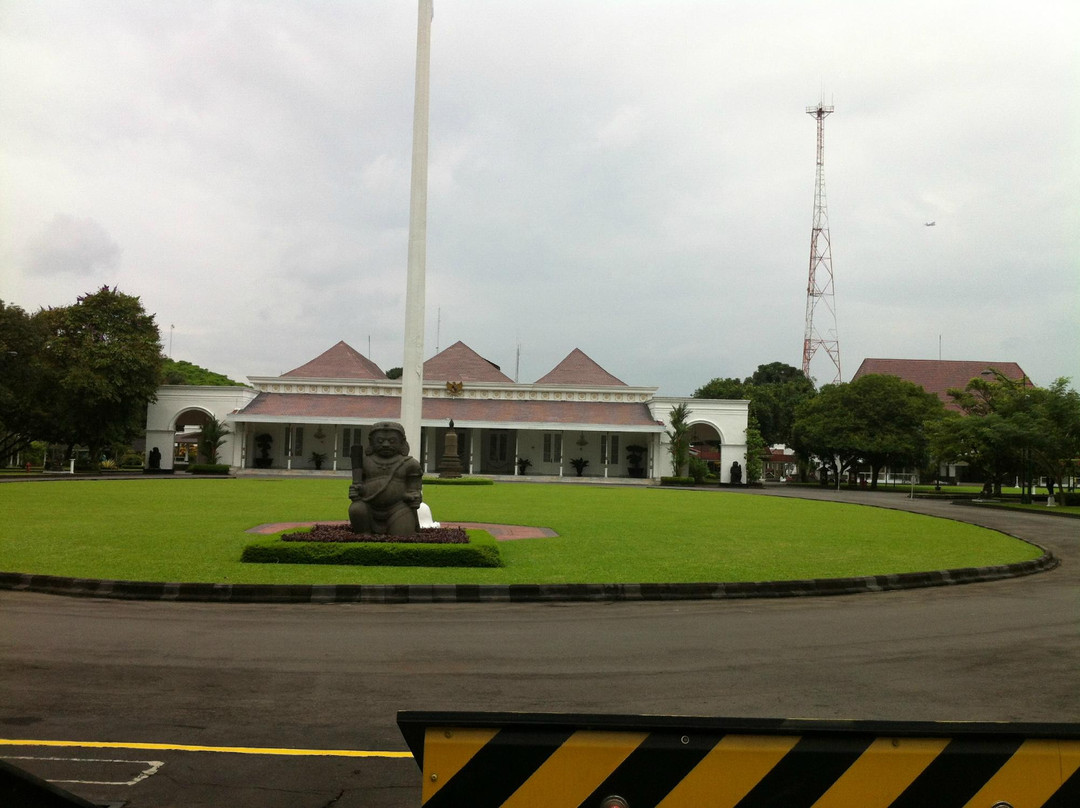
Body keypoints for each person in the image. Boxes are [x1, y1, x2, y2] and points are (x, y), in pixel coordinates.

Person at [348, 422, 423, 535]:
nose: (386, 445)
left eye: (392, 441)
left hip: (398, 508)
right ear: (371, 442)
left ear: (402, 442)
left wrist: (414, 496)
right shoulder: (364, 462)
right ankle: (365, 536)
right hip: (369, 507)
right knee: (356, 509)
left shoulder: (410, 464)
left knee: (401, 535)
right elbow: (359, 485)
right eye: (380, 441)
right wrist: (356, 491)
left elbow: (415, 490)